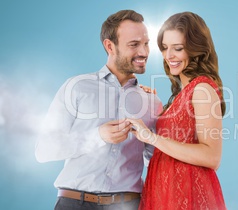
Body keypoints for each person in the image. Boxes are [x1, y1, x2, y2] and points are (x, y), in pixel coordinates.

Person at [35, 10, 162, 210]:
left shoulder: (152, 102)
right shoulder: (76, 87)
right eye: (134, 44)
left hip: (128, 205)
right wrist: (97, 136)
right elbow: (44, 150)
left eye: (146, 44)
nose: (144, 52)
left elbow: (156, 163)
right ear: (109, 46)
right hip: (74, 204)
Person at [126, 12, 227, 209]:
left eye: (178, 48)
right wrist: (150, 102)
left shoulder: (203, 89)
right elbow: (173, 141)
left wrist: (151, 137)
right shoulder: (181, 94)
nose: (168, 56)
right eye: (164, 48)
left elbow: (212, 157)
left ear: (196, 49)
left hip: (187, 194)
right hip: (165, 192)